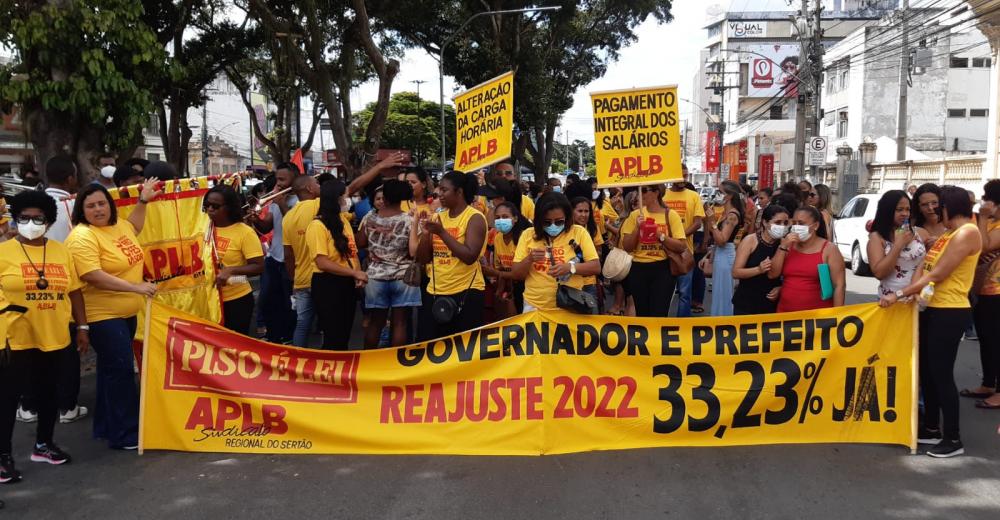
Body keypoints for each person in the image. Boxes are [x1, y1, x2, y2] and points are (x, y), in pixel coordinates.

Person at [880, 186, 982, 458]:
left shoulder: (967, 233)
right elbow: (924, 266)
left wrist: (899, 294)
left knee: (942, 374)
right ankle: (932, 428)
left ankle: (953, 438)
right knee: (928, 372)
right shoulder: (948, 234)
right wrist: (910, 294)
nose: (936, 214)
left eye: (939, 208)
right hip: (931, 307)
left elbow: (937, 274)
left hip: (950, 310)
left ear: (949, 208)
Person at [0, 191, 90, 482]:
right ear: (16, 219)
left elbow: (74, 292)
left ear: (49, 221)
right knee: (7, 398)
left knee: (49, 393)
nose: (31, 223)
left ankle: (43, 444)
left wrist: (83, 328)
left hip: (55, 334)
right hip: (13, 339)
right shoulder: (3, 253)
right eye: (24, 218)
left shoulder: (62, 252)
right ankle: (3, 457)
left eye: (38, 218)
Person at [66, 180, 160, 450]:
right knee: (120, 371)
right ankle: (125, 433)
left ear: (110, 205)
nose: (98, 209)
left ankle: (108, 427)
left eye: (102, 203)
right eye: (91, 206)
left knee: (111, 371)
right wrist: (135, 287)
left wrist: (143, 201)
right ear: (81, 210)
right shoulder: (82, 237)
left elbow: (134, 227)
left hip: (126, 313)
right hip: (102, 316)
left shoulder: (118, 226)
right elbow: (92, 275)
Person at [40, 155, 87, 424]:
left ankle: (31, 406)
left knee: (35, 349)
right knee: (67, 348)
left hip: (30, 286)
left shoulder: (30, 206)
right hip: (67, 285)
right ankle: (67, 406)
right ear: (70, 178)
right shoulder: (73, 206)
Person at [415, 171, 488, 339]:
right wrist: (425, 235)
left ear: (459, 192)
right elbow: (423, 259)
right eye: (439, 189)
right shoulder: (437, 217)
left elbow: (469, 256)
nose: (439, 194)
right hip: (435, 291)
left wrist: (442, 232)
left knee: (463, 347)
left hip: (466, 292)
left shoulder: (474, 218)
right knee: (430, 343)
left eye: (444, 190)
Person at [356, 180, 421, 348]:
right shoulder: (409, 220)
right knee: (400, 323)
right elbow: (414, 251)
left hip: (375, 276)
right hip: (403, 277)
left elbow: (360, 243)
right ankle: (395, 361)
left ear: (385, 197)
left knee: (376, 322)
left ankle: (368, 358)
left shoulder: (370, 217)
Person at [512, 193, 600, 312]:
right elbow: (516, 274)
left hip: (570, 304)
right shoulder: (528, 235)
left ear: (567, 218)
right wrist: (529, 259)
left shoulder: (579, 232)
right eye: (547, 222)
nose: (553, 226)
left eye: (559, 222)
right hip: (535, 306)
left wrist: (570, 268)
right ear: (539, 220)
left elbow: (595, 267)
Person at [306, 180, 364, 349]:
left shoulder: (343, 220)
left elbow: (352, 252)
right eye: (346, 196)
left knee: (344, 335)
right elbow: (322, 262)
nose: (349, 200)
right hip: (327, 284)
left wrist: (357, 274)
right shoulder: (317, 226)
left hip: (347, 283)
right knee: (333, 336)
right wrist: (354, 273)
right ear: (336, 198)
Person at [619, 184, 687, 317]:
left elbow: (681, 246)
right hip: (638, 268)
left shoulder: (670, 215)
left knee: (659, 313)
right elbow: (627, 247)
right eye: (639, 191)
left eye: (644, 190)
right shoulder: (635, 215)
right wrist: (637, 228)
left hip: (662, 269)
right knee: (642, 314)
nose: (640, 195)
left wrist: (659, 235)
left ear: (656, 193)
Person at [204, 185, 264, 336]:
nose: (210, 209)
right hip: (207, 299)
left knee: (233, 344)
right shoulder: (201, 228)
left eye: (215, 206)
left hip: (237, 300)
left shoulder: (245, 232)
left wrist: (231, 271)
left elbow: (259, 267)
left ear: (229, 207)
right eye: (207, 205)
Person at [252, 163, 299, 343]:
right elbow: (267, 226)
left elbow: (293, 226)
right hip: (274, 257)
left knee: (288, 303)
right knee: (267, 301)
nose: (278, 183)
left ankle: (288, 338)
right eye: (277, 179)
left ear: (294, 179)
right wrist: (256, 220)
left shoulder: (300, 202)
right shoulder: (276, 199)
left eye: (282, 179)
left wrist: (281, 204)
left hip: (291, 259)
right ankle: (273, 336)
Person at [964, 180, 1000, 408]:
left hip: (997, 291)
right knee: (986, 339)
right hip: (983, 289)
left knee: (996, 341)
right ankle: (988, 383)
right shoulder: (989, 222)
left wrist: (984, 217)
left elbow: (984, 246)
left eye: (987, 198)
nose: (984, 201)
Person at [770, 205, 846, 312]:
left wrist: (837, 315)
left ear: (815, 226)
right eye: (794, 223)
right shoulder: (788, 245)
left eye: (801, 223)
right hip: (785, 313)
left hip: (816, 316)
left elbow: (839, 285)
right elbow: (772, 274)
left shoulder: (829, 249)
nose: (796, 227)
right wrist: (783, 246)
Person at [281, 175, 321, 348]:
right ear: (310, 189)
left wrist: (294, 278)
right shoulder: (319, 204)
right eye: (317, 183)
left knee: (303, 323)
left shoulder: (288, 217)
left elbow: (288, 255)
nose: (319, 186)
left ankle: (299, 357)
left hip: (301, 279)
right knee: (327, 322)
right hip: (322, 276)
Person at [867, 190, 927, 297]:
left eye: (908, 209)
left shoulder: (920, 233)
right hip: (890, 301)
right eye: (899, 210)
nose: (905, 214)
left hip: (920, 299)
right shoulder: (877, 238)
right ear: (887, 210)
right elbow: (879, 273)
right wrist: (898, 245)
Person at [662, 165, 705, 317]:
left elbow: (698, 223)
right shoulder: (663, 195)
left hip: (684, 252)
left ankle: (683, 324)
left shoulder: (693, 196)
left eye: (685, 176)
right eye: (680, 176)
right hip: (663, 252)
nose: (683, 179)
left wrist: (678, 237)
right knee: (663, 292)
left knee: (684, 293)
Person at [732, 204, 788, 315]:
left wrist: (781, 287)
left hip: (771, 305)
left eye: (785, 223)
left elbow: (789, 274)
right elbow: (736, 272)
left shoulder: (785, 244)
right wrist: (758, 269)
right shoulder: (750, 241)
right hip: (746, 304)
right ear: (765, 222)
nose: (782, 226)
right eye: (777, 222)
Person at [483, 201, 530, 318]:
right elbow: (501, 267)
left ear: (515, 219)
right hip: (509, 286)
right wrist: (499, 290)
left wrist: (495, 273)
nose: (501, 220)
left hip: (525, 287)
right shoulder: (497, 238)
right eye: (497, 218)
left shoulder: (523, 238)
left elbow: (521, 274)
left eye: (505, 217)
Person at [703, 182, 744, 317]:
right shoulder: (725, 213)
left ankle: (724, 319)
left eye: (720, 192)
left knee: (724, 292)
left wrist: (712, 221)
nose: (717, 194)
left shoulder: (732, 215)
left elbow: (722, 240)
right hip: (720, 254)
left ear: (730, 195)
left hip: (726, 255)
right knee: (718, 291)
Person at [569, 196, 604, 300]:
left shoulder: (593, 228)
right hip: (570, 281)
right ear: (571, 211)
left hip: (589, 281)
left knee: (590, 308)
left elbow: (599, 251)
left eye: (586, 211)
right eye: (580, 211)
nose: (583, 215)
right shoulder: (565, 229)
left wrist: (587, 254)